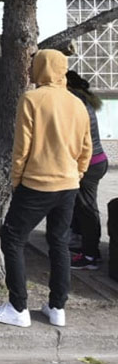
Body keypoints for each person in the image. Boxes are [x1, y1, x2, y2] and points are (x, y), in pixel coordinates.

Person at [0, 50, 92, 329]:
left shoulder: (31, 99)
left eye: (33, 64)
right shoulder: (77, 103)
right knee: (59, 242)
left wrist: (16, 180)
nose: (29, 69)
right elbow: (86, 147)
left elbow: (22, 148)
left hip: (37, 182)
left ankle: (18, 307)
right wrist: (76, 174)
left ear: (43, 67)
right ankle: (57, 307)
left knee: (12, 238)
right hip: (68, 184)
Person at [66, 71, 109, 271]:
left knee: (87, 209)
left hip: (89, 164)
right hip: (95, 161)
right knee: (83, 208)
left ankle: (91, 256)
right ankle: (87, 249)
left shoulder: (75, 103)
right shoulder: (81, 100)